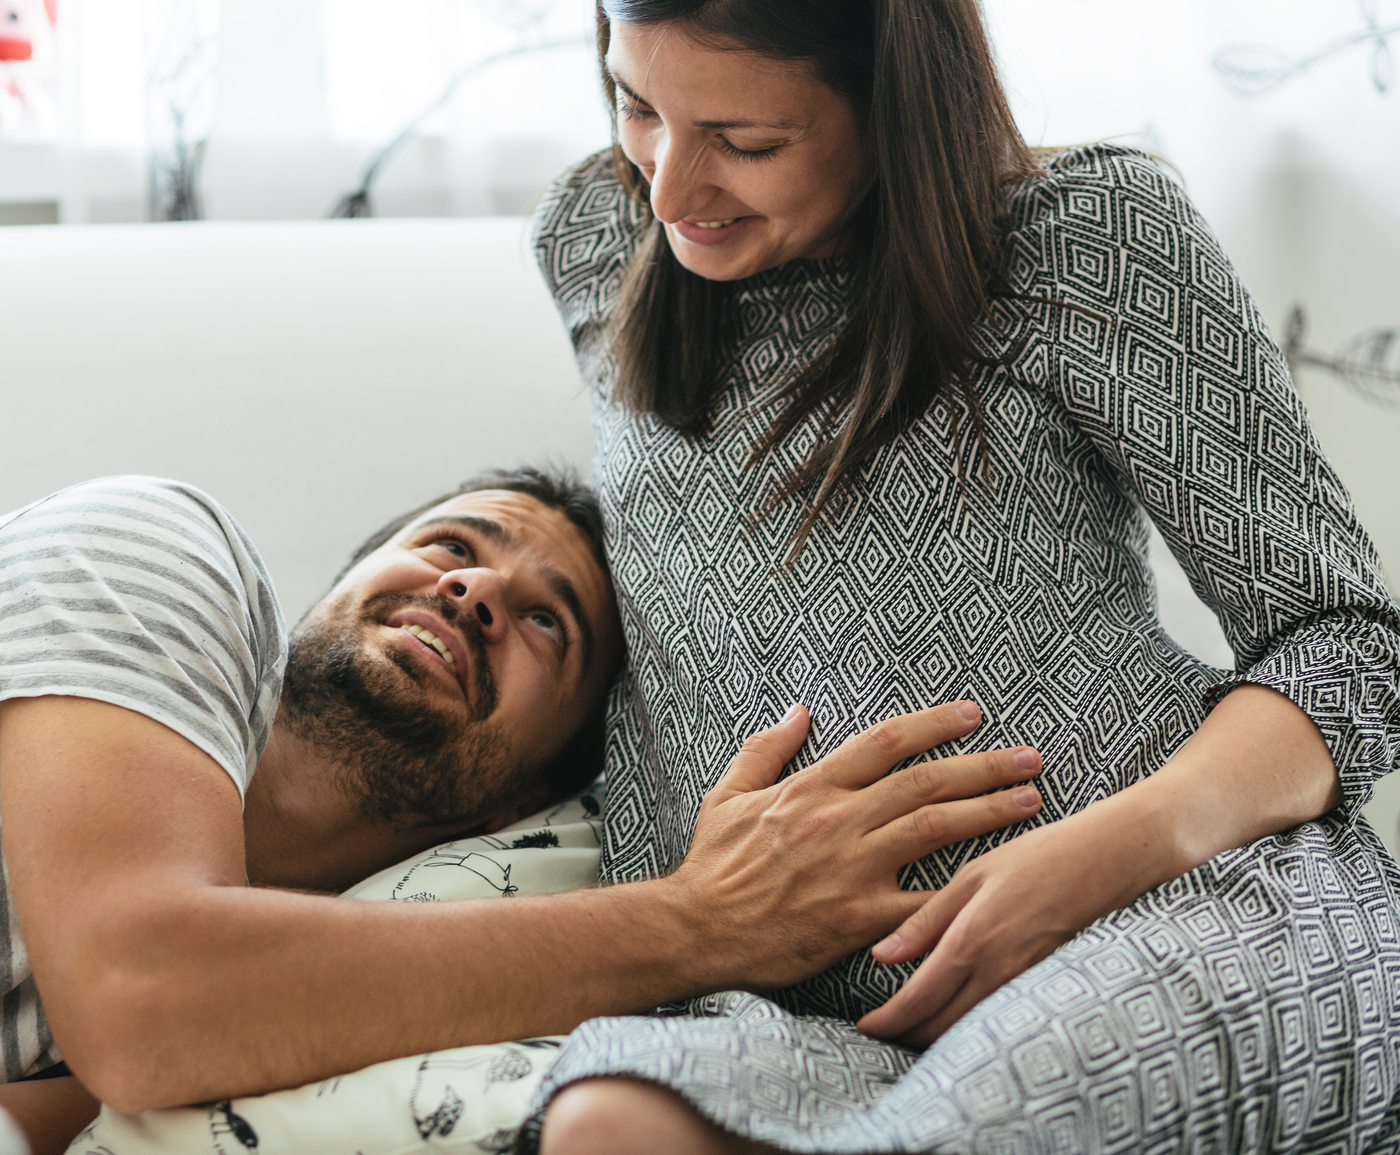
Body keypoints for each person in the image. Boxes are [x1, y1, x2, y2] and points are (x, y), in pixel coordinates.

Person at [525, 2, 1400, 1153]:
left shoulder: (1083, 236)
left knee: (983, 1123)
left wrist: (1089, 862)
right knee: (602, 1125)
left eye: (744, 142)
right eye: (636, 105)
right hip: (811, 1018)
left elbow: (1348, 645)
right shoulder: (599, 237)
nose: (670, 184)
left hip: (1177, 915)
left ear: (892, 105)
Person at [0, 468, 1047, 1154]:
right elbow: (148, 986)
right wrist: (697, 918)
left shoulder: (282, 1005)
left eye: (545, 625)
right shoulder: (163, 553)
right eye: (451, 543)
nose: (476, 590)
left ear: (533, 788)